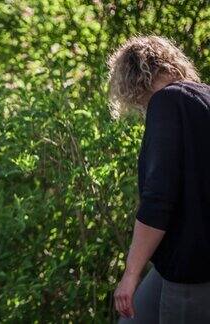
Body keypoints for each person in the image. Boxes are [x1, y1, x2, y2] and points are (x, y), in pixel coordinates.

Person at [108, 36, 210, 323]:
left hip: (192, 272)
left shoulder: (168, 101)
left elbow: (159, 199)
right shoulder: (204, 97)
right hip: (183, 264)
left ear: (132, 78)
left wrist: (130, 275)